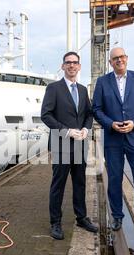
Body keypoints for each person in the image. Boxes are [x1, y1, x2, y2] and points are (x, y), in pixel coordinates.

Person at [92, 47, 134, 237]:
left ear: (126, 58)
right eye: (115, 58)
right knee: (114, 179)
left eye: (122, 57)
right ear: (110, 62)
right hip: (113, 139)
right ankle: (117, 216)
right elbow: (96, 109)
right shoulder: (103, 82)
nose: (119, 60)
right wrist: (111, 124)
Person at [41, 51, 98, 240]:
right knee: (58, 185)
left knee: (80, 183)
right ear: (63, 66)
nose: (72, 66)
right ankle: (55, 223)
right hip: (61, 144)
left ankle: (81, 218)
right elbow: (46, 115)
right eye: (68, 63)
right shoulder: (54, 88)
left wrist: (85, 129)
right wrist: (66, 131)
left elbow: (89, 114)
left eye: (75, 63)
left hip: (80, 144)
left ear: (79, 66)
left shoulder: (82, 90)